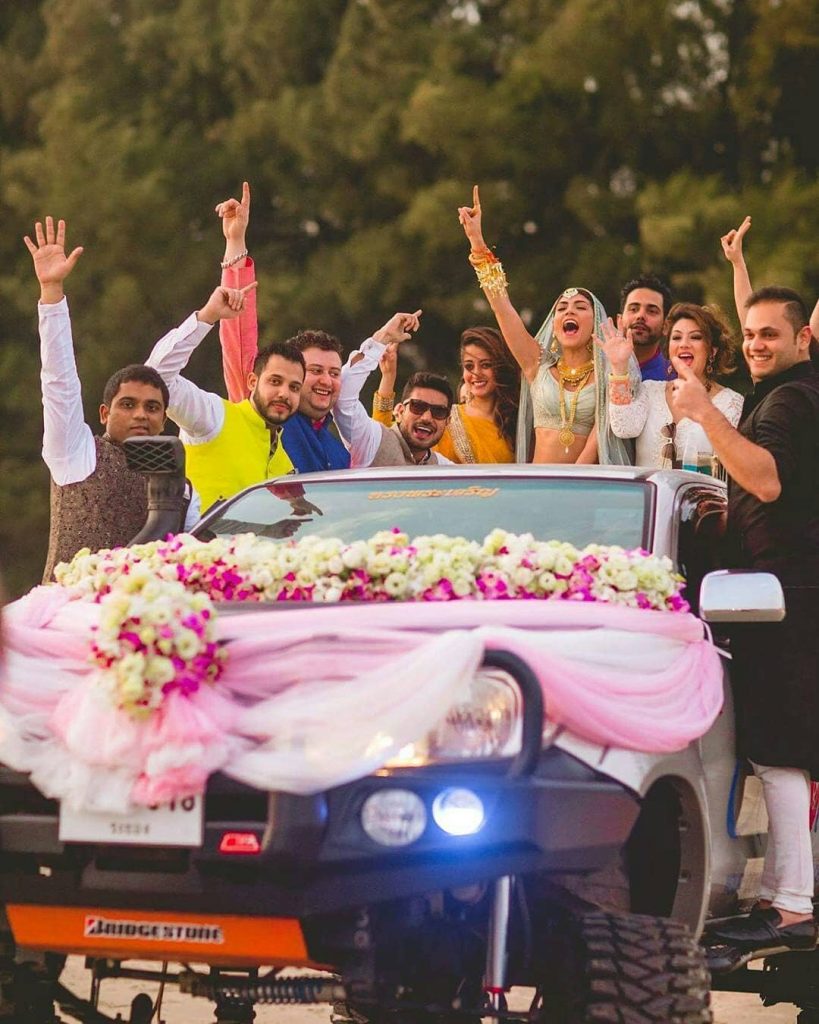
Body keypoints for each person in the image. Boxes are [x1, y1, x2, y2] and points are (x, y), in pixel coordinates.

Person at [670, 286, 819, 956]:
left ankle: (788, 907)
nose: (755, 344)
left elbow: (765, 481)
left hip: (779, 597)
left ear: (800, 339)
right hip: (778, 592)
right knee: (781, 748)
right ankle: (782, 895)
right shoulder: (788, 393)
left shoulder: (787, 399)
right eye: (749, 333)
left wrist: (703, 413)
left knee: (779, 750)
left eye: (769, 334)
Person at [24, 217, 202, 582]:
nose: (141, 414)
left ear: (164, 420)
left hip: (147, 625)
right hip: (67, 622)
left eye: (152, 408)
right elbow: (58, 381)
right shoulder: (76, 452)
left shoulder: (182, 487)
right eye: (128, 404)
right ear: (104, 412)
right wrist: (52, 292)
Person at [457, 186, 637, 464]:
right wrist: (476, 241)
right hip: (539, 484)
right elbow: (502, 308)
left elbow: (601, 435)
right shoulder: (537, 364)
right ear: (554, 325)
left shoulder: (607, 371)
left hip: (584, 485)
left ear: (595, 321)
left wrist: (572, 480)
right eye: (561, 308)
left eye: (580, 307)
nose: (569, 311)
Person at [216, 182, 351, 471]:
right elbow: (238, 340)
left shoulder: (340, 452)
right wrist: (235, 242)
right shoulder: (268, 417)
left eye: (334, 373)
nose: (326, 381)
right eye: (315, 372)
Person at [145, 285, 304, 512]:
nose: (284, 394)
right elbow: (154, 379)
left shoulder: (283, 459)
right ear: (252, 382)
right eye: (275, 381)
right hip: (198, 546)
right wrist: (208, 315)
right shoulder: (215, 416)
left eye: (294, 387)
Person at [600, 302, 743, 468]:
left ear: (712, 351)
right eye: (676, 337)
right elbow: (624, 428)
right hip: (650, 494)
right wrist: (619, 367)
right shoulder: (651, 390)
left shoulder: (731, 403)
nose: (684, 344)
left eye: (695, 337)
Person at [372, 326, 519, 463]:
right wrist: (388, 375)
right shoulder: (442, 416)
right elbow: (385, 441)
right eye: (469, 366)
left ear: (501, 368)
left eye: (486, 365)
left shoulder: (515, 421)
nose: (476, 373)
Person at [335, 311, 454, 466]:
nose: (426, 418)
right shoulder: (372, 442)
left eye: (439, 412)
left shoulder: (443, 468)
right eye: (417, 406)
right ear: (399, 411)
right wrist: (383, 337)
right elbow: (342, 395)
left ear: (448, 421)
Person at [618, 274, 675, 381]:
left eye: (652, 311)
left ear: (666, 326)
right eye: (634, 309)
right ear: (619, 320)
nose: (640, 316)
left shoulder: (674, 377)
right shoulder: (597, 371)